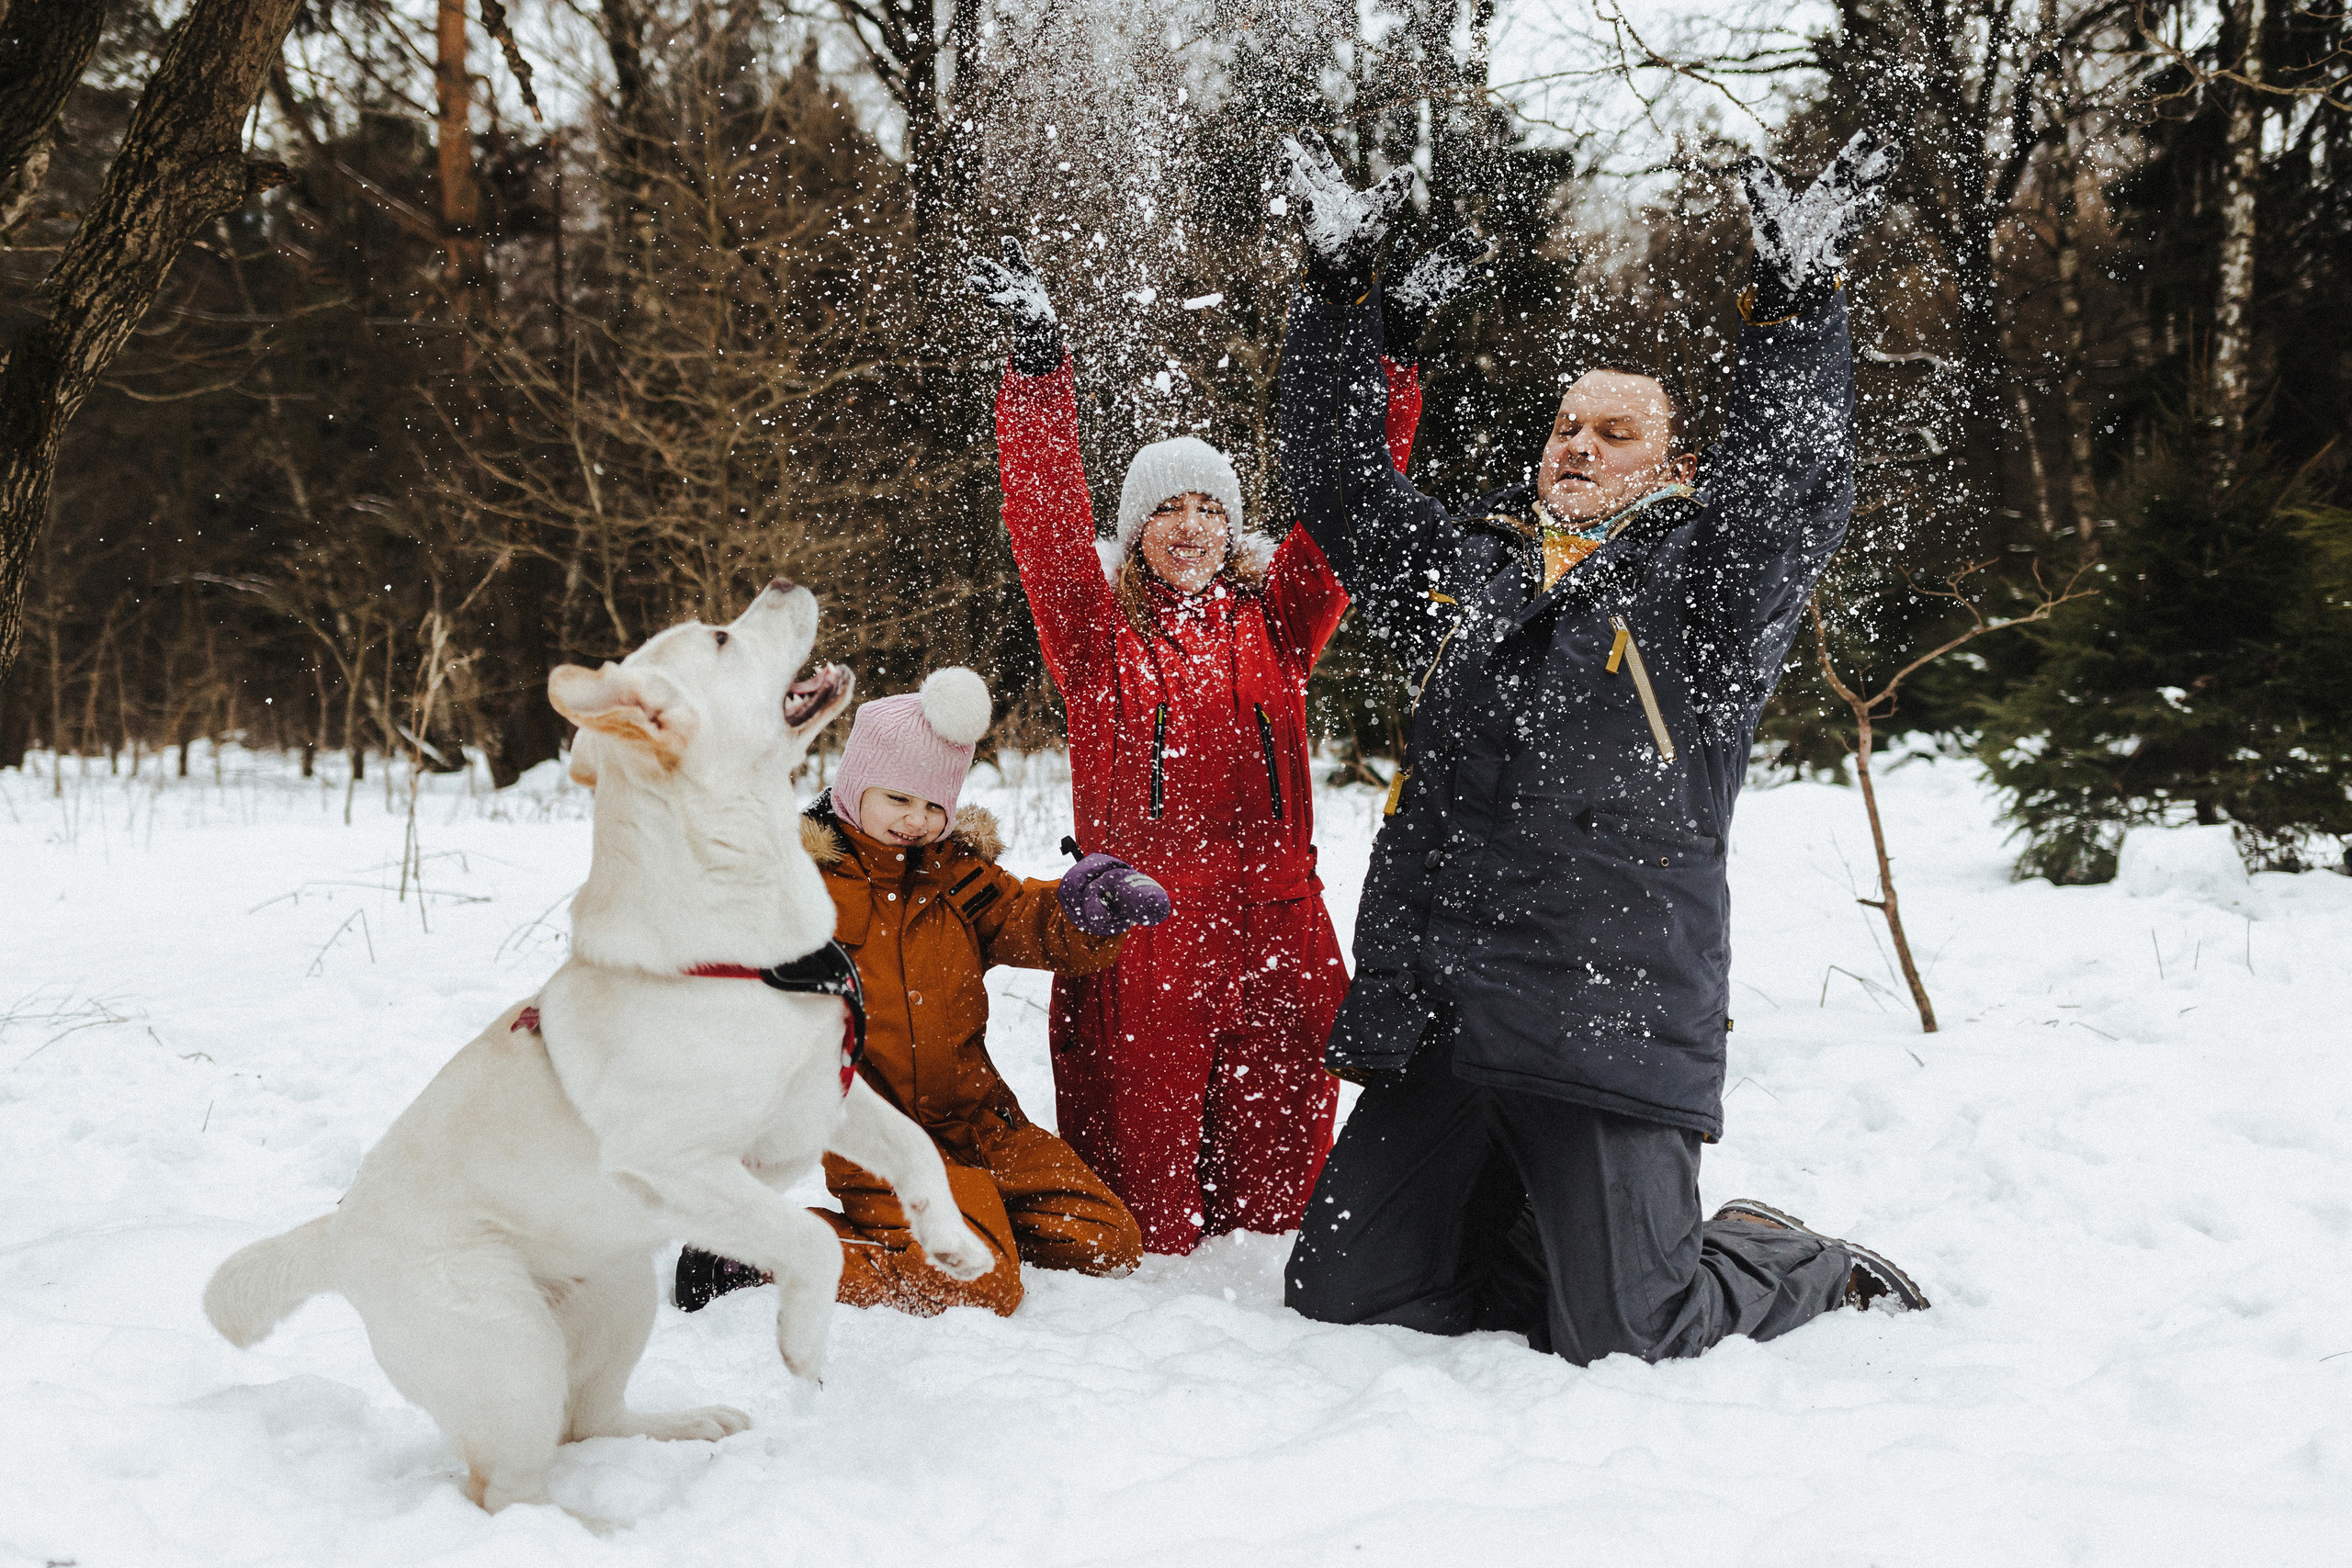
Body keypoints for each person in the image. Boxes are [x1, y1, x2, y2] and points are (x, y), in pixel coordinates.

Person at [1272, 128, 1931, 1365]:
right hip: (1450, 1012)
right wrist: (1337, 299)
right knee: (1344, 1293)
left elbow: (1784, 494)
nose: (1577, 444)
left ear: (1675, 467)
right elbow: (1337, 483)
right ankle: (1557, 1237)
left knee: (1633, 1332)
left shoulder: (1707, 595)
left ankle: (1785, 1254)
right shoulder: (1467, 570)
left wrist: (1796, 315)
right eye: (1567, 425)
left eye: (1615, 432)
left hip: (1601, 1015)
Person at [964, 231, 1484, 1254]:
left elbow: (1351, 500)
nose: (1192, 526)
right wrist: (1035, 372)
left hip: (1278, 934)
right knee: (1146, 1229)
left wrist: (1391, 362)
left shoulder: (1280, 619)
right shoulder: (1095, 637)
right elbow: (1047, 523)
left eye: (1212, 508)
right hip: (1145, 939)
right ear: (1136, 528)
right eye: (1168, 508)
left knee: (1277, 1223)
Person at [673, 668, 1171, 1317]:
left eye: (935, 806)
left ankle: (969, 1222)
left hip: (980, 1124)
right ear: (856, 785)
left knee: (1106, 1242)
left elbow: (1026, 919)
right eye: (898, 798)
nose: (916, 820)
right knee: (983, 1285)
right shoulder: (803, 888)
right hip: (881, 1137)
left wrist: (1084, 909)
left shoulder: (956, 875)